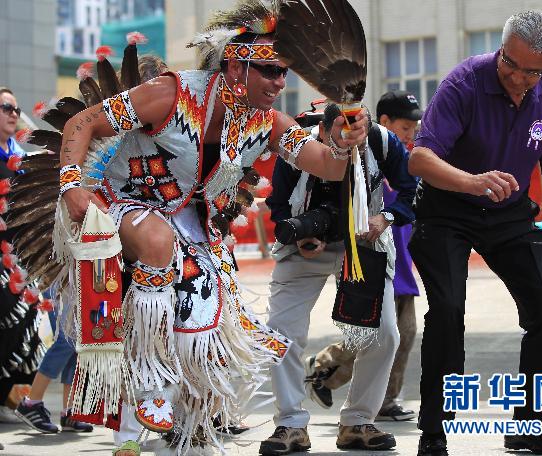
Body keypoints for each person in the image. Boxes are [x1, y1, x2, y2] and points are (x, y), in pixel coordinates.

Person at [53, 3, 368, 455]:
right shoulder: (169, 94)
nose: (281, 84)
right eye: (271, 72)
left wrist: (340, 142)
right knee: (159, 241)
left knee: (205, 322)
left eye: (285, 74)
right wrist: (71, 186)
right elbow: (82, 122)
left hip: (190, 219)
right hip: (117, 199)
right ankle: (148, 378)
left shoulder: (266, 120)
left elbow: (326, 166)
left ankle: (189, 423)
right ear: (236, 65)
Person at [407, 11, 542, 456]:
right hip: (446, 211)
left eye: (534, 70)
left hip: (508, 215)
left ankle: (532, 426)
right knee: (448, 311)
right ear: (502, 48)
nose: (520, 78)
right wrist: (471, 180)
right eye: (513, 64)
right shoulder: (464, 82)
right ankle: (435, 429)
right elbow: (420, 159)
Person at [259, 102, 417, 455]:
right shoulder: (296, 144)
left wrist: (386, 218)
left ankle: (358, 421)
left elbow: (411, 189)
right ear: (323, 130)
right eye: (343, 139)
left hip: (364, 241)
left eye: (358, 137)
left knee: (384, 334)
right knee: (280, 332)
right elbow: (279, 203)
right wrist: (300, 235)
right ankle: (290, 424)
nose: (351, 145)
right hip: (305, 250)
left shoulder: (382, 141)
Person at [303, 90, 421, 422]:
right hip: (369, 257)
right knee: (381, 330)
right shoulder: (360, 155)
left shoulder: (397, 156)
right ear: (382, 122)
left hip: (397, 257)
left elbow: (409, 203)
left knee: (393, 331)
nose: (411, 134)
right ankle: (331, 370)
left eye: (414, 128)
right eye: (406, 127)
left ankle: (369, 393)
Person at [0, 87, 45, 425]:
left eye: (16, 108)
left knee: (26, 324)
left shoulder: (21, 156)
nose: (13, 113)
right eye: (5, 108)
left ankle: (11, 398)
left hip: (21, 254)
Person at [15, 285, 93, 434]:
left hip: (77, 273)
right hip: (57, 271)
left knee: (77, 342)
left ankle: (70, 411)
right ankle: (31, 403)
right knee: (66, 340)